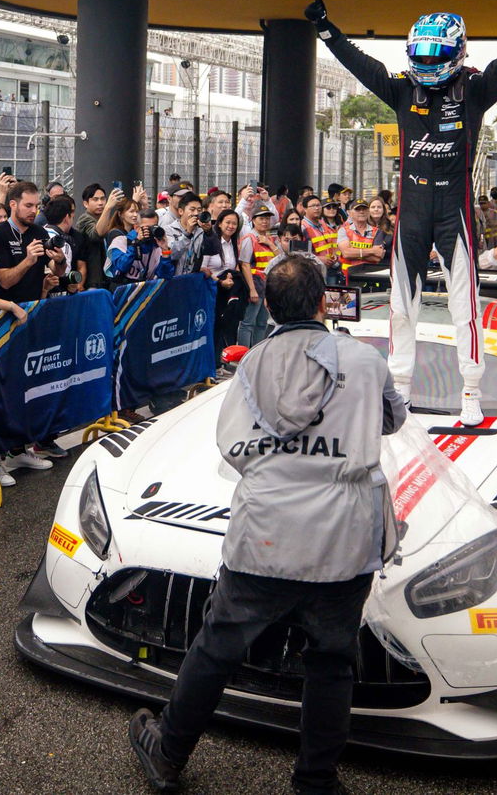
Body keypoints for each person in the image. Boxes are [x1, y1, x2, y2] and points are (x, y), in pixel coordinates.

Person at [129, 254, 408, 795]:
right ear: (326, 302)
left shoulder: (253, 362)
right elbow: (394, 419)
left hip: (265, 533)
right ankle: (316, 780)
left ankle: (168, 753)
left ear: (271, 306)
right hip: (344, 538)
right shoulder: (365, 360)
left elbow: (231, 444)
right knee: (331, 661)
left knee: (217, 647)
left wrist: (281, 465)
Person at [307, 0, 497, 424]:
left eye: (436, 54)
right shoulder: (401, 90)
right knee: (402, 306)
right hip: (413, 210)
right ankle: (399, 389)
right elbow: (364, 66)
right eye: (420, 53)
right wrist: (327, 31)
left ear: (456, 52)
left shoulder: (475, 89)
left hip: (454, 212)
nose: (426, 62)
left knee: (465, 307)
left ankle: (471, 393)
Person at [0, 180, 49, 306]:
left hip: (34, 305)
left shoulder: (40, 232)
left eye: (37, 206)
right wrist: (28, 261)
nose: (34, 211)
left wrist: (60, 260)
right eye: (28, 206)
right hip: (6, 309)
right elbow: (5, 282)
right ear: (13, 204)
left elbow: (57, 270)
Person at [200, 210, 247, 355]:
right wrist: (220, 282)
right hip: (212, 291)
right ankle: (214, 363)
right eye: (228, 222)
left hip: (228, 292)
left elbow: (232, 268)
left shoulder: (232, 243)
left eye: (234, 223)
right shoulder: (210, 241)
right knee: (214, 327)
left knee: (229, 325)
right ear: (219, 223)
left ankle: (225, 358)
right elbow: (203, 268)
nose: (231, 226)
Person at [237, 206, 278, 347]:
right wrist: (252, 289)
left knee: (261, 323)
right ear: (253, 220)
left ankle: (257, 353)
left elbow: (281, 259)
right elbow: (245, 265)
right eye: (261, 218)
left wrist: (269, 244)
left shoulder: (269, 239)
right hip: (255, 285)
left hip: (266, 287)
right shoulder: (249, 239)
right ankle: (243, 355)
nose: (265, 221)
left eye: (267, 218)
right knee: (248, 323)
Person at [336, 199, 385, 280]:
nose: (361, 212)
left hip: (369, 277)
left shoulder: (377, 232)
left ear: (368, 212)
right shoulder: (343, 230)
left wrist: (354, 252)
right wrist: (372, 251)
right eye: (357, 209)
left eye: (364, 209)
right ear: (350, 213)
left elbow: (377, 257)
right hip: (347, 277)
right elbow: (346, 253)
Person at [72, 183, 108, 290]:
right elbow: (96, 234)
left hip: (104, 278)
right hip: (91, 281)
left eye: (103, 199)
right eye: (95, 199)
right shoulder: (85, 219)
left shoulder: (103, 218)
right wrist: (109, 208)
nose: (100, 203)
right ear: (85, 203)